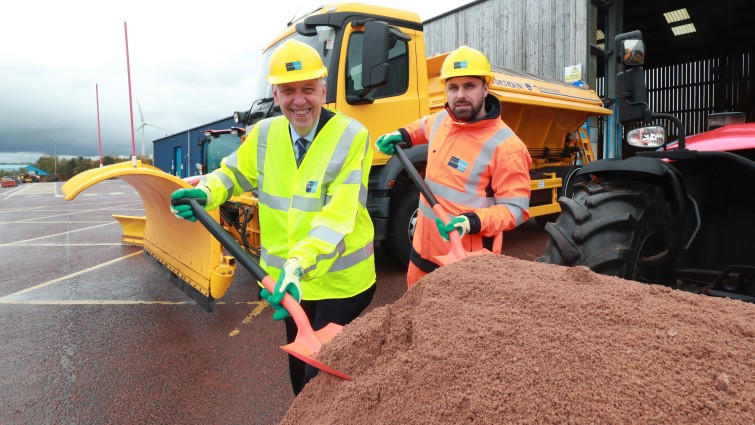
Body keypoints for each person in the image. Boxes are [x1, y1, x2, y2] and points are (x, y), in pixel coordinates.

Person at [170, 39, 376, 395]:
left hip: (342, 283)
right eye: (288, 91)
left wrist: (297, 264)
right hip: (289, 285)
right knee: (299, 375)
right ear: (275, 94)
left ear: (323, 89)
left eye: (308, 89)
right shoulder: (265, 134)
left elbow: (339, 216)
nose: (299, 101)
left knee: (322, 383)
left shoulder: (351, 137)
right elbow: (232, 173)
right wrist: (206, 192)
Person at [375, 45, 532, 288]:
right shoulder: (443, 120)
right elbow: (424, 125)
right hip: (422, 252)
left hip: (465, 261)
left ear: (485, 87)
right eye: (453, 87)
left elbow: (515, 209)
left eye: (469, 86)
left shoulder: (507, 147)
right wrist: (402, 134)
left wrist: (472, 221)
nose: (460, 94)